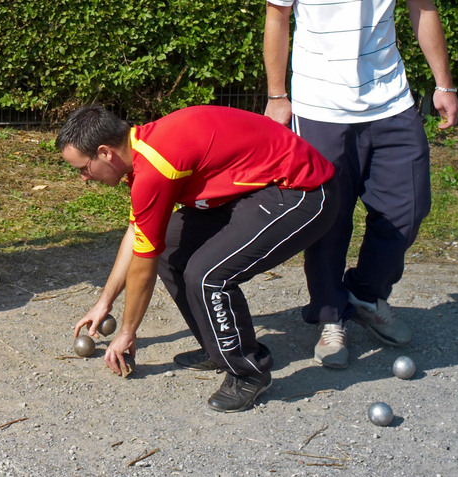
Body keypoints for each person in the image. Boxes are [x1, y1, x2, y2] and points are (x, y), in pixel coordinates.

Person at [258, 0, 458, 370]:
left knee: (408, 207)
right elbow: (277, 19)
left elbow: (422, 6)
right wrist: (278, 97)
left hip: (389, 98)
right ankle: (329, 316)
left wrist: (444, 83)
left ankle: (366, 294)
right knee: (328, 215)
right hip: (320, 104)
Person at [61, 104, 336, 412]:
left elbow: (142, 267)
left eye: (83, 168)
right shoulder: (144, 151)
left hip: (301, 191)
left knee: (208, 275)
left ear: (105, 152)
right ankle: (217, 347)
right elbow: (138, 232)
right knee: (169, 248)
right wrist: (104, 302)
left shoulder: (156, 166)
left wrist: (127, 333)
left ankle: (249, 372)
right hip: (251, 191)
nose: (84, 178)